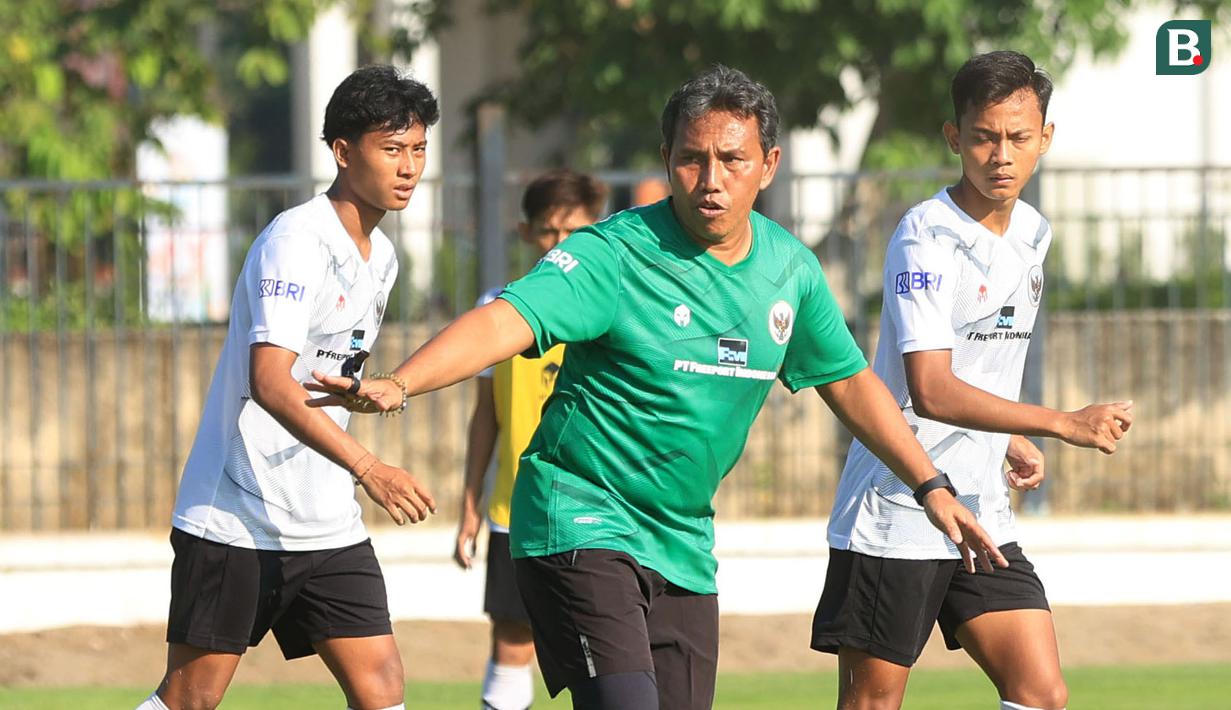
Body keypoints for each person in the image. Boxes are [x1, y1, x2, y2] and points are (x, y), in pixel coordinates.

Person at [312, 64, 1006, 710]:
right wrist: (401, 381)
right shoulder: (612, 253)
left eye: (731, 160)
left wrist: (930, 484)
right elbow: (505, 320)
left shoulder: (790, 271)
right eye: (690, 158)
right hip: (578, 516)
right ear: (666, 158)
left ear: (768, 165)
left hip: (680, 538)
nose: (710, 179)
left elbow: (851, 386)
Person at [812, 51, 1134, 710]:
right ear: (954, 137)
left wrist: (1007, 437)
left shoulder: (1033, 233)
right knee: (872, 704)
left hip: (980, 511)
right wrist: (1058, 422)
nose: (1000, 156)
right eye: (984, 137)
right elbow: (928, 388)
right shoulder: (924, 238)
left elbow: (978, 363)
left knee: (1039, 693)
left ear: (1044, 139)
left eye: (1018, 138)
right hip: (898, 507)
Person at [136, 65, 439, 710]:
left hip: (326, 523)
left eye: (417, 149)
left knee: (382, 685)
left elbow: (321, 371)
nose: (409, 166)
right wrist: (370, 468)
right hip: (236, 517)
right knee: (192, 698)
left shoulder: (381, 257)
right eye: (392, 149)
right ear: (341, 151)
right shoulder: (296, 241)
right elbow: (270, 382)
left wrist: (359, 394)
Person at [453, 169, 608, 710]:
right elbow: (485, 417)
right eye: (548, 232)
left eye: (574, 232)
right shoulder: (498, 309)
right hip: (515, 509)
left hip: (598, 511)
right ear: (526, 233)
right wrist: (470, 502)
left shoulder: (609, 309)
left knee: (610, 655)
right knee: (513, 641)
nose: (560, 245)